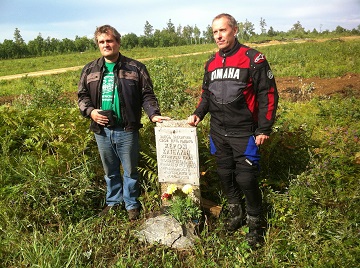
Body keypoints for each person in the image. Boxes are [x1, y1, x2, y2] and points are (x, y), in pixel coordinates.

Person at [188, 13, 278, 248]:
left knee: (246, 178)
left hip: (244, 131)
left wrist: (264, 128)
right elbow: (207, 95)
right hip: (218, 131)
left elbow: (267, 94)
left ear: (235, 30)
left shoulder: (253, 59)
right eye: (215, 32)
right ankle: (236, 214)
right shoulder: (211, 63)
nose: (218, 36)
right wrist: (198, 113)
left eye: (223, 30)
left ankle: (255, 224)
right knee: (225, 175)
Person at [78, 25, 170, 220]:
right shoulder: (90, 69)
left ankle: (131, 205)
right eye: (102, 42)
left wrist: (153, 114)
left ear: (118, 42)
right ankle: (113, 203)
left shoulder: (135, 68)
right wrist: (91, 112)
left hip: (127, 129)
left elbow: (147, 95)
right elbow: (82, 96)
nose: (106, 45)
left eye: (109, 41)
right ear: (98, 45)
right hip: (101, 130)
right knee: (110, 171)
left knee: (130, 170)